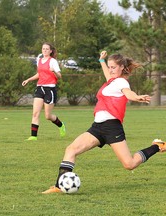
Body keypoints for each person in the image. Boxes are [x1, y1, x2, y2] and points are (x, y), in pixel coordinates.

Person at [42, 50, 166, 194]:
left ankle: (157, 146)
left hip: (112, 127)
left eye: (113, 67)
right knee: (71, 150)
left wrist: (136, 97)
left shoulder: (121, 81)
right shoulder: (112, 80)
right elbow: (107, 74)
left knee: (129, 164)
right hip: (97, 127)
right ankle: (59, 186)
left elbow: (128, 93)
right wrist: (102, 61)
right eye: (110, 66)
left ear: (122, 68)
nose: (111, 70)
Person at [22, 42, 66, 141]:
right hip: (40, 88)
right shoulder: (39, 60)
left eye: (47, 49)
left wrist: (53, 71)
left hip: (50, 89)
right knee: (35, 113)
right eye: (43, 49)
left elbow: (59, 76)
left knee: (48, 116)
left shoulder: (53, 61)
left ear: (50, 51)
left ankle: (61, 125)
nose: (45, 50)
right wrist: (28, 80)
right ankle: (33, 136)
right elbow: (39, 74)